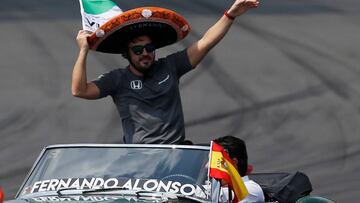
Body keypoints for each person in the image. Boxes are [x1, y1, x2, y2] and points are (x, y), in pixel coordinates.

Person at [72, 0, 260, 144]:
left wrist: (231, 14)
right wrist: (83, 50)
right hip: (138, 160)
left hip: (176, 155)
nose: (145, 54)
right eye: (137, 50)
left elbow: (205, 42)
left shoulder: (170, 66)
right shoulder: (117, 80)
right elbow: (79, 91)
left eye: (149, 48)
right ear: (127, 54)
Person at [214, 135, 265, 203]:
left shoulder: (251, 189)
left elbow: (219, 195)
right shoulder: (214, 187)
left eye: (215, 161)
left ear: (233, 162)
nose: (207, 166)